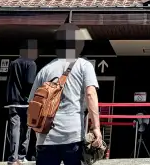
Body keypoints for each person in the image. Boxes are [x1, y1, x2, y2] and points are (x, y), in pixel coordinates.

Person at [29, 24, 102, 165]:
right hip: (72, 135)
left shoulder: (45, 69)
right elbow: (91, 94)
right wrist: (96, 128)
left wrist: (37, 131)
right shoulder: (84, 65)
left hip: (45, 137)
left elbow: (32, 104)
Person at [6, 40, 38, 164]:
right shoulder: (31, 64)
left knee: (14, 128)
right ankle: (21, 155)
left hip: (13, 101)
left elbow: (9, 82)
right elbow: (30, 82)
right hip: (26, 102)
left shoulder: (13, 63)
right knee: (26, 129)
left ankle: (12, 157)